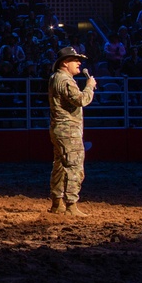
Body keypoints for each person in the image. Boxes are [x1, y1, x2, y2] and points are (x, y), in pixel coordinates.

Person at [48, 46, 96, 216]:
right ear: (65, 63)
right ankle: (71, 205)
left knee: (60, 165)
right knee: (74, 166)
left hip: (58, 128)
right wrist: (89, 86)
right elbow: (81, 100)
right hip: (68, 130)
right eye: (75, 60)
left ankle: (57, 203)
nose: (79, 63)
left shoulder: (55, 78)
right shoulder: (66, 80)